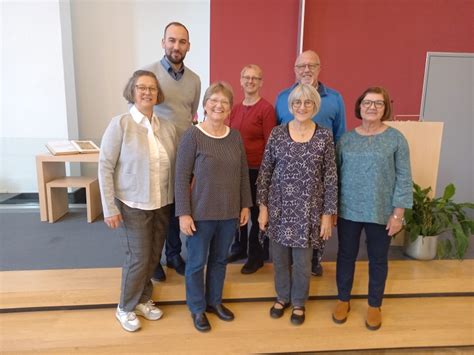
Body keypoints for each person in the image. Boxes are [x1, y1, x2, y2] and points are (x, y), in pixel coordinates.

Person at [98, 70, 178, 332]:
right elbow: (105, 167)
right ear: (132, 91)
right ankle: (124, 307)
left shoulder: (166, 126)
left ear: (158, 94)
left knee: (153, 256)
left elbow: (174, 164)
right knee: (139, 257)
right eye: (141, 87)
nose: (147, 92)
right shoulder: (120, 124)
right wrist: (109, 207)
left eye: (152, 88)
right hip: (132, 204)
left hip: (161, 203)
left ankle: (143, 299)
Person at [332, 87, 412, 331]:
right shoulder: (346, 139)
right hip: (348, 210)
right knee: (346, 256)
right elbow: (334, 175)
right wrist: (332, 208)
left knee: (378, 259)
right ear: (359, 106)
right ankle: (343, 299)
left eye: (378, 103)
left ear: (385, 108)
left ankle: (374, 305)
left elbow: (404, 177)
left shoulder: (396, 138)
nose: (372, 107)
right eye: (368, 102)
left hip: (381, 211)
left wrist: (398, 213)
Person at [175, 82, 252, 332]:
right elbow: (181, 176)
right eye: (214, 101)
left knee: (219, 260)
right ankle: (197, 308)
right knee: (196, 263)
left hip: (229, 213)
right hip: (200, 214)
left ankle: (214, 302)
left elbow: (242, 174)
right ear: (205, 105)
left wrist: (245, 206)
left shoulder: (235, 136)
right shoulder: (193, 135)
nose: (219, 106)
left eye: (224, 102)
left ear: (230, 108)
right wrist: (183, 213)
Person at [257, 83, 338, 325]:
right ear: (290, 106)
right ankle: (282, 297)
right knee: (280, 259)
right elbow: (265, 172)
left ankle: (299, 302)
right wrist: (263, 208)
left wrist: (327, 214)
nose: (302, 107)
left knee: (302, 263)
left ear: (315, 105)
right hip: (280, 207)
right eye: (297, 103)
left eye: (308, 102)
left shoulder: (324, 135)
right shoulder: (277, 133)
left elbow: (331, 176)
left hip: (309, 211)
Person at [275, 50, 346, 277]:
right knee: (290, 221)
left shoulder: (335, 99)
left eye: (311, 65)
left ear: (319, 68)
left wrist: (334, 175)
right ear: (295, 70)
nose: (306, 70)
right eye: (301, 66)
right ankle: (290, 261)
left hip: (319, 171)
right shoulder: (282, 98)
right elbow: (276, 135)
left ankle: (315, 259)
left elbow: (340, 136)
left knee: (317, 220)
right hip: (288, 175)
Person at [143, 22, 201, 280]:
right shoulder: (147, 74)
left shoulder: (195, 80)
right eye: (172, 40)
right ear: (163, 42)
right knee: (157, 211)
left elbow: (190, 115)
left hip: (184, 156)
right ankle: (153, 259)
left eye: (182, 42)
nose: (176, 46)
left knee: (179, 206)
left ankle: (174, 255)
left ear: (188, 46)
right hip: (157, 156)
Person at [227, 64, 276, 274]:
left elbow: (270, 142)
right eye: (246, 77)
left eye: (255, 78)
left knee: (256, 213)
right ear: (240, 80)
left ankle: (256, 255)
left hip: (257, 169)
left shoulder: (266, 109)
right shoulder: (235, 108)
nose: (250, 81)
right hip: (236, 169)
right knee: (238, 210)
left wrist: (266, 173)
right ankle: (239, 248)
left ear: (261, 82)